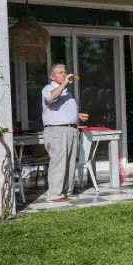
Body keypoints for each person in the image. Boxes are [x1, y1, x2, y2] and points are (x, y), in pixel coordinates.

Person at [42, 63, 89, 202]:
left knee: (69, 162)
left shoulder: (67, 93)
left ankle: (66, 191)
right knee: (59, 161)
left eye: (64, 72)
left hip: (70, 130)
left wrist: (77, 115)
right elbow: (51, 98)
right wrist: (64, 84)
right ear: (52, 76)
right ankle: (54, 194)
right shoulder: (48, 89)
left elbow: (60, 110)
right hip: (57, 131)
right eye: (60, 72)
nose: (64, 74)